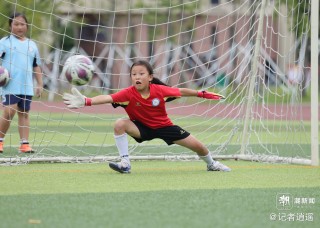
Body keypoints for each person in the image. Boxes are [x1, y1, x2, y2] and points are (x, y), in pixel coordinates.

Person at [63, 60, 231, 173]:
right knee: (119, 124)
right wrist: (86, 101)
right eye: (134, 74)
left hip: (165, 127)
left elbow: (181, 91)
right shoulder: (127, 94)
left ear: (150, 77)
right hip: (141, 128)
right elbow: (108, 98)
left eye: (141, 73)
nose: (137, 77)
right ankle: (125, 163)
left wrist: (202, 94)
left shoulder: (160, 90)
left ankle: (212, 164)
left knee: (199, 147)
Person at [0, 13, 43, 153]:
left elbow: (36, 66)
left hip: (26, 87)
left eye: (22, 24)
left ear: (27, 26)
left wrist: (40, 84)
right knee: (8, 112)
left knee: (24, 113)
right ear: (10, 26)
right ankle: (0, 141)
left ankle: (24, 144)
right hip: (9, 85)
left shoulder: (32, 45)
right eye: (16, 24)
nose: (19, 27)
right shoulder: (4, 42)